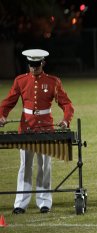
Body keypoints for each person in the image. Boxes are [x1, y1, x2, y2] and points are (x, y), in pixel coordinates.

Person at [0, 49, 74, 214]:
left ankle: (44, 203)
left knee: (44, 166)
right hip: (26, 128)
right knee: (25, 166)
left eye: (36, 65)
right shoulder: (20, 81)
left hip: (46, 129)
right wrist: (1, 116)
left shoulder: (53, 82)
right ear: (28, 64)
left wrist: (65, 120)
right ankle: (20, 204)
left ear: (43, 63)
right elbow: (8, 102)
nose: (34, 69)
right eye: (31, 65)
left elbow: (67, 105)